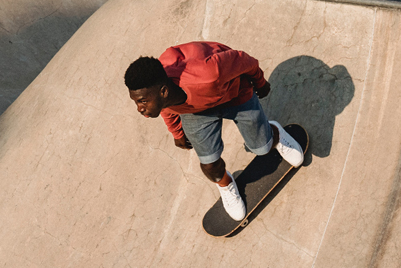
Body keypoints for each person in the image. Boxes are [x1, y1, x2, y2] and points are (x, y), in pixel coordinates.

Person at [124, 42, 304, 221]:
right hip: (194, 112)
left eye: (142, 101)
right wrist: (177, 132)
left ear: (164, 92)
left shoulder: (209, 75)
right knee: (210, 165)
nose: (139, 108)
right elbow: (166, 108)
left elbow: (244, 60)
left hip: (234, 93)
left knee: (262, 148)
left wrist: (260, 82)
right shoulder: (162, 95)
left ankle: (274, 132)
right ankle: (226, 185)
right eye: (136, 102)